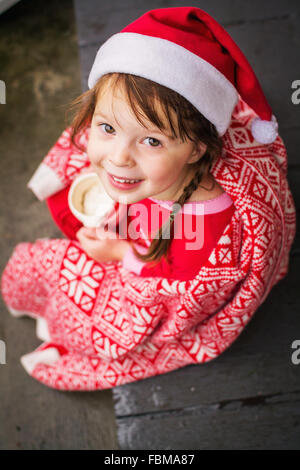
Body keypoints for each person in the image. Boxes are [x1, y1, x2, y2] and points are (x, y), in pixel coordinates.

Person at [1, 7, 296, 391]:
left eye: (152, 141)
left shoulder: (206, 232)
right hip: (142, 226)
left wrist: (119, 254)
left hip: (154, 274)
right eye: (107, 127)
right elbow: (104, 135)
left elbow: (174, 290)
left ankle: (59, 328)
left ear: (195, 151)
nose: (120, 157)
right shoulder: (142, 157)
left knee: (48, 264)